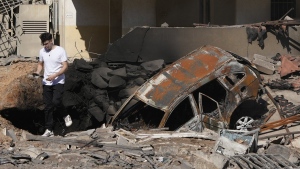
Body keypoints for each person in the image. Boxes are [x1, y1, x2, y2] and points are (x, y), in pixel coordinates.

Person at [35, 32, 72, 137]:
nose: (45, 46)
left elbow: (65, 66)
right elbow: (40, 64)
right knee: (48, 106)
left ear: (51, 41)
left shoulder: (60, 50)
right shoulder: (42, 51)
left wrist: (55, 75)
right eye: (43, 44)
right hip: (46, 82)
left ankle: (65, 115)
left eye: (47, 43)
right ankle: (49, 129)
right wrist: (38, 72)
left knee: (56, 101)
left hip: (58, 81)